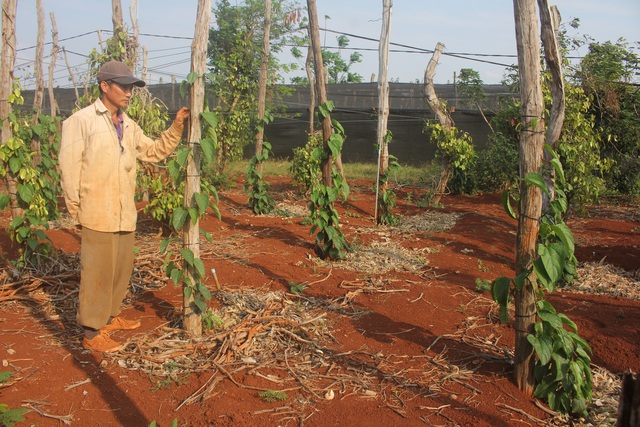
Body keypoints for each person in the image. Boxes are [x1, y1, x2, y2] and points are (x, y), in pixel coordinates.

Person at [59, 60, 190, 353]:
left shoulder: (129, 125)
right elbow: (69, 170)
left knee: (120, 271)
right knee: (97, 274)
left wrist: (176, 126)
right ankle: (91, 333)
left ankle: (108, 319)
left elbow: (154, 152)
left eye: (132, 87)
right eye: (124, 86)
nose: (129, 92)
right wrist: (77, 211)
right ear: (105, 86)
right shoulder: (81, 121)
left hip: (123, 212)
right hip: (96, 211)